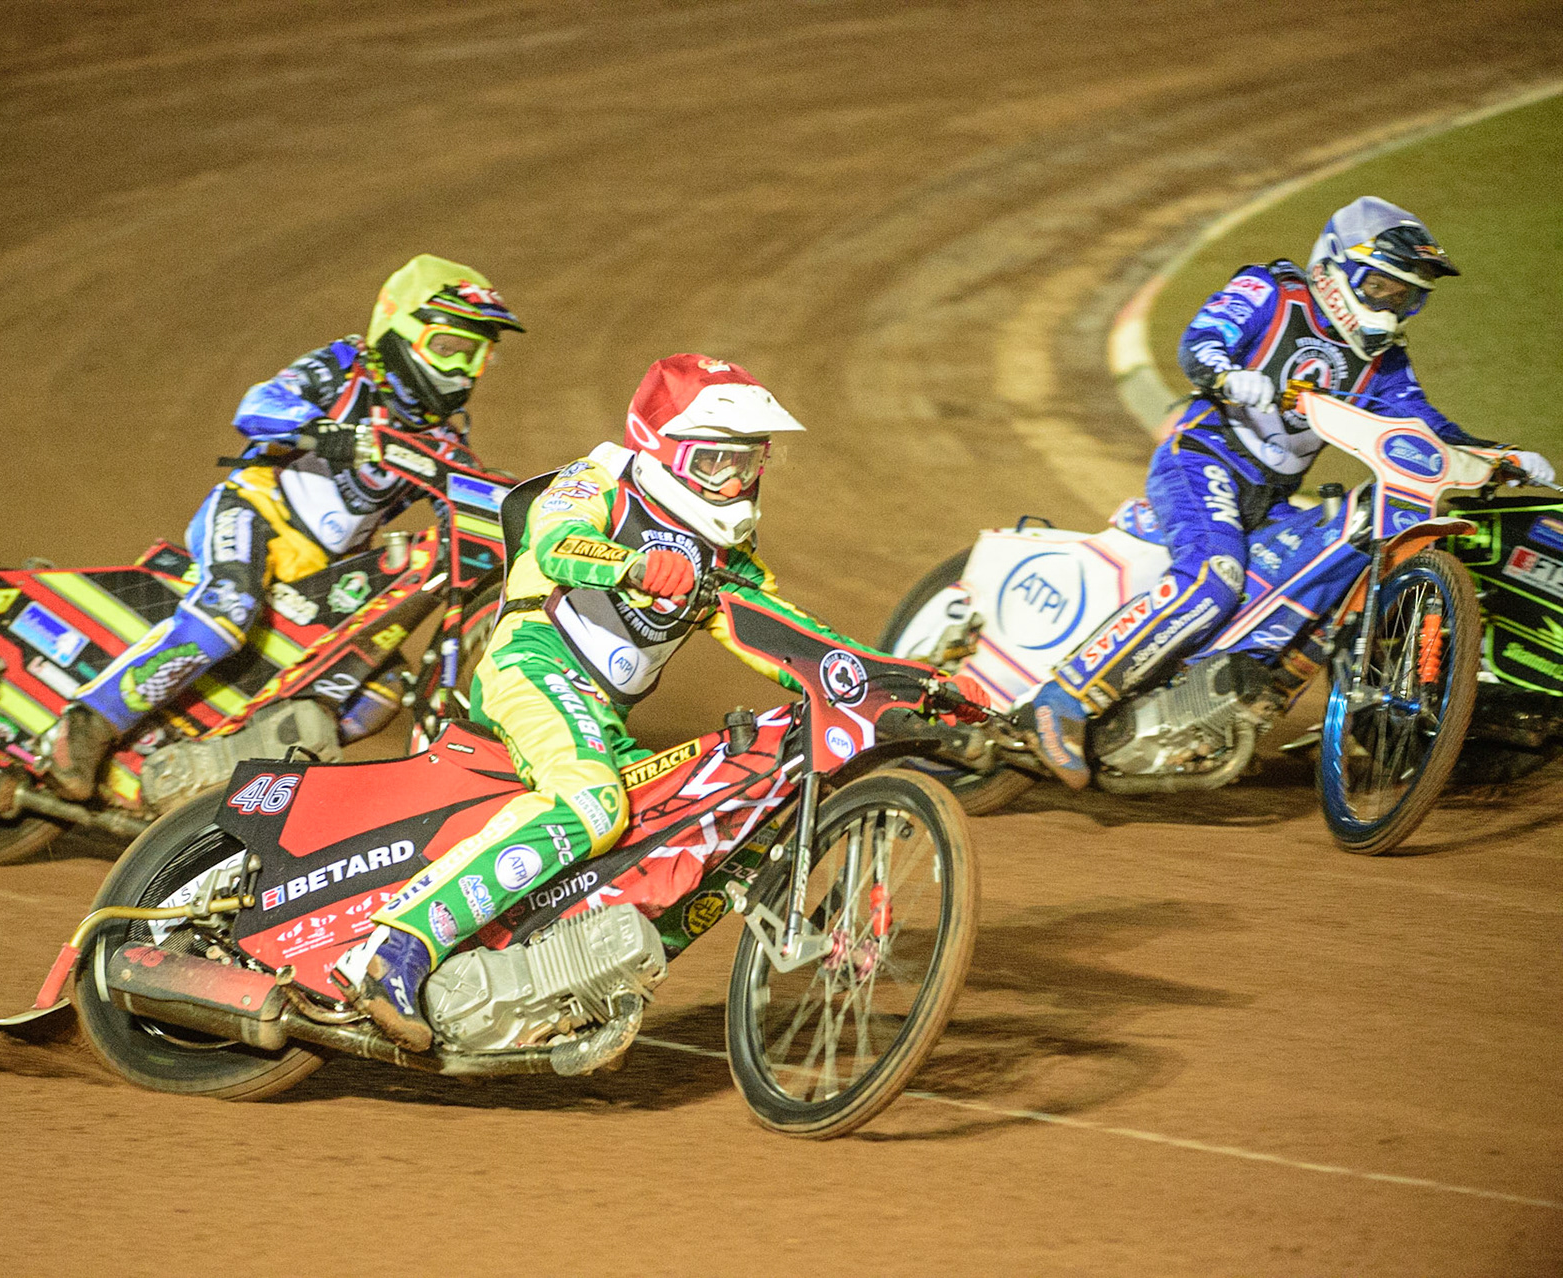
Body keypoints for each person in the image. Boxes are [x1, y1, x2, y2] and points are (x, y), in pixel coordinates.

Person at [331, 353, 983, 1051]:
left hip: (602, 718)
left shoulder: (724, 552)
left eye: (749, 462)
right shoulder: (601, 480)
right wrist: (632, 563)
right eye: (713, 463)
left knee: (699, 828)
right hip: (531, 665)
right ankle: (392, 954)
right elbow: (555, 546)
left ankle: (564, 982)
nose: (734, 482)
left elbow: (789, 641)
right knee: (592, 805)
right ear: (662, 449)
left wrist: (907, 681)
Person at [1026, 196, 1555, 788]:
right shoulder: (1272, 291)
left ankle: (1232, 708)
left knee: (1327, 587)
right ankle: (1064, 697)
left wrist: (1497, 455)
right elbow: (1200, 340)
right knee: (1215, 576)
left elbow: (1424, 425)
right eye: (1380, 286)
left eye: (1404, 295)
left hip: (1273, 496)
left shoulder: (1384, 363)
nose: (1390, 304)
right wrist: (1226, 374)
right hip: (1203, 459)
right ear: (1338, 269)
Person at [42, 255, 524, 799]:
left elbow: (469, 501)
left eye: (478, 354)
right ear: (400, 329)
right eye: (450, 347)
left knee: (380, 689)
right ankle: (88, 722)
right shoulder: (345, 367)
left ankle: (215, 775)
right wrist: (325, 430)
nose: (463, 368)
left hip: (324, 569)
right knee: (229, 608)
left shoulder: (444, 440)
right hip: (254, 511)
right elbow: (258, 404)